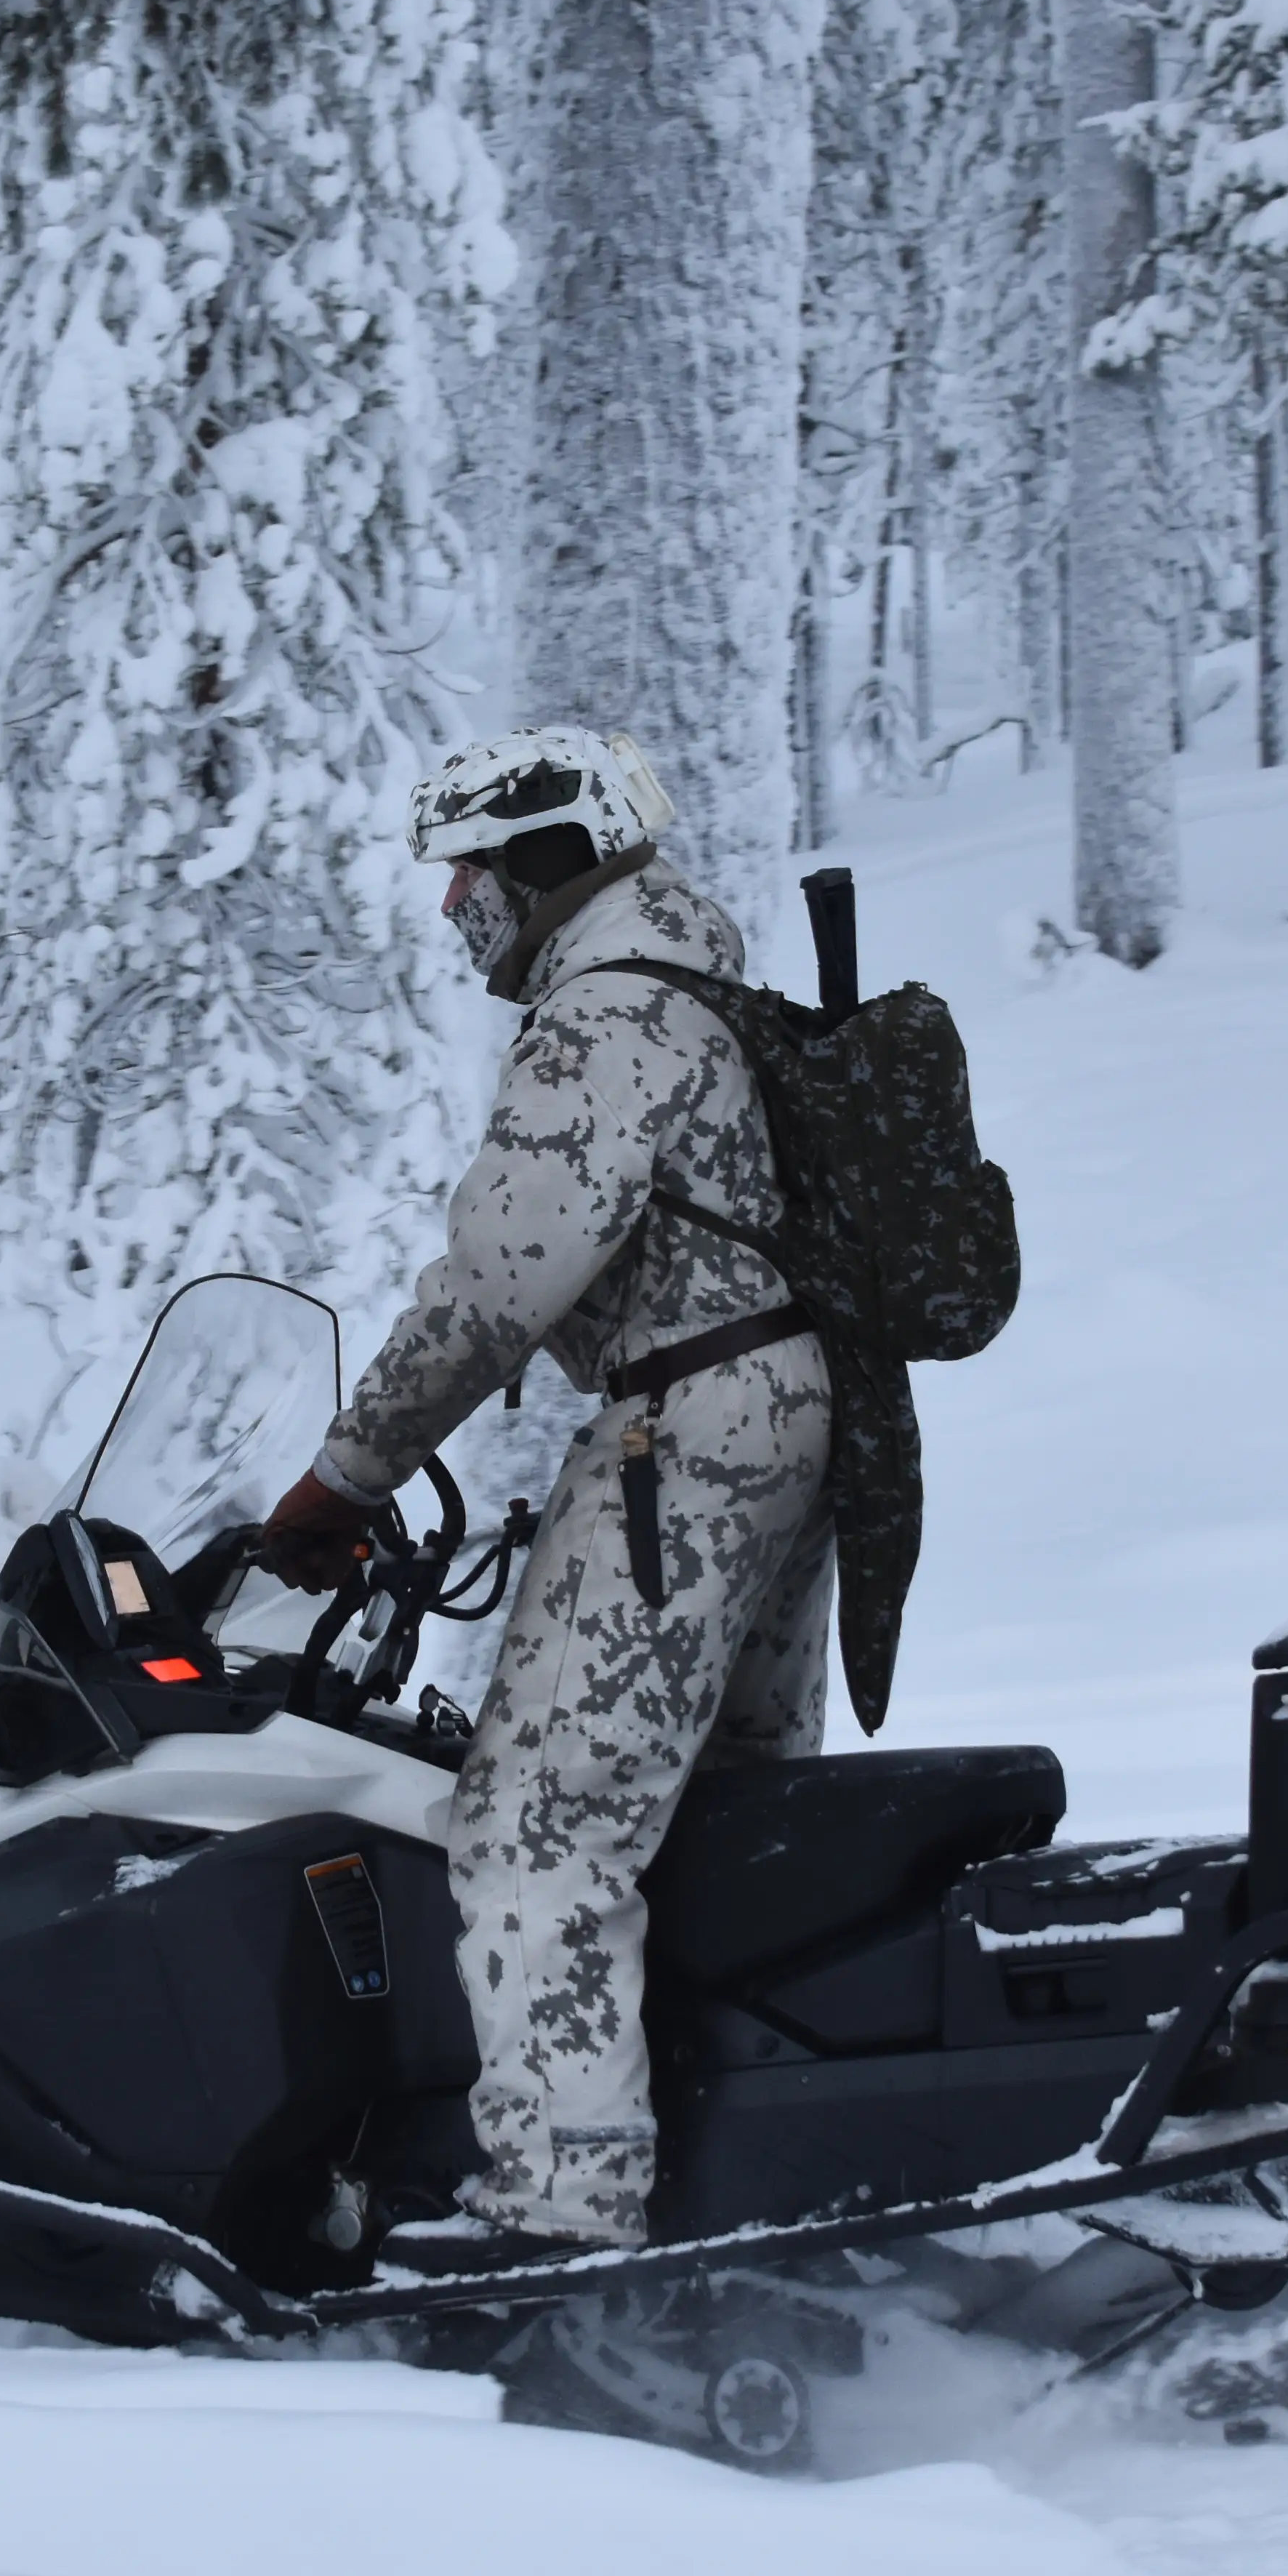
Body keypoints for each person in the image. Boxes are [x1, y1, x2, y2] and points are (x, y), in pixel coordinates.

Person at [259, 727, 834, 2271]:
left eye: (469, 866)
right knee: (730, 1819)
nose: (454, 901)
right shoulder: (700, 972)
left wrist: (343, 1476)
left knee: (532, 1822)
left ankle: (558, 2223)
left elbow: (499, 1281)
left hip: (691, 1425)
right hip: (782, 1415)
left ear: (547, 856)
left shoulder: (611, 1007)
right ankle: (758, 2158)